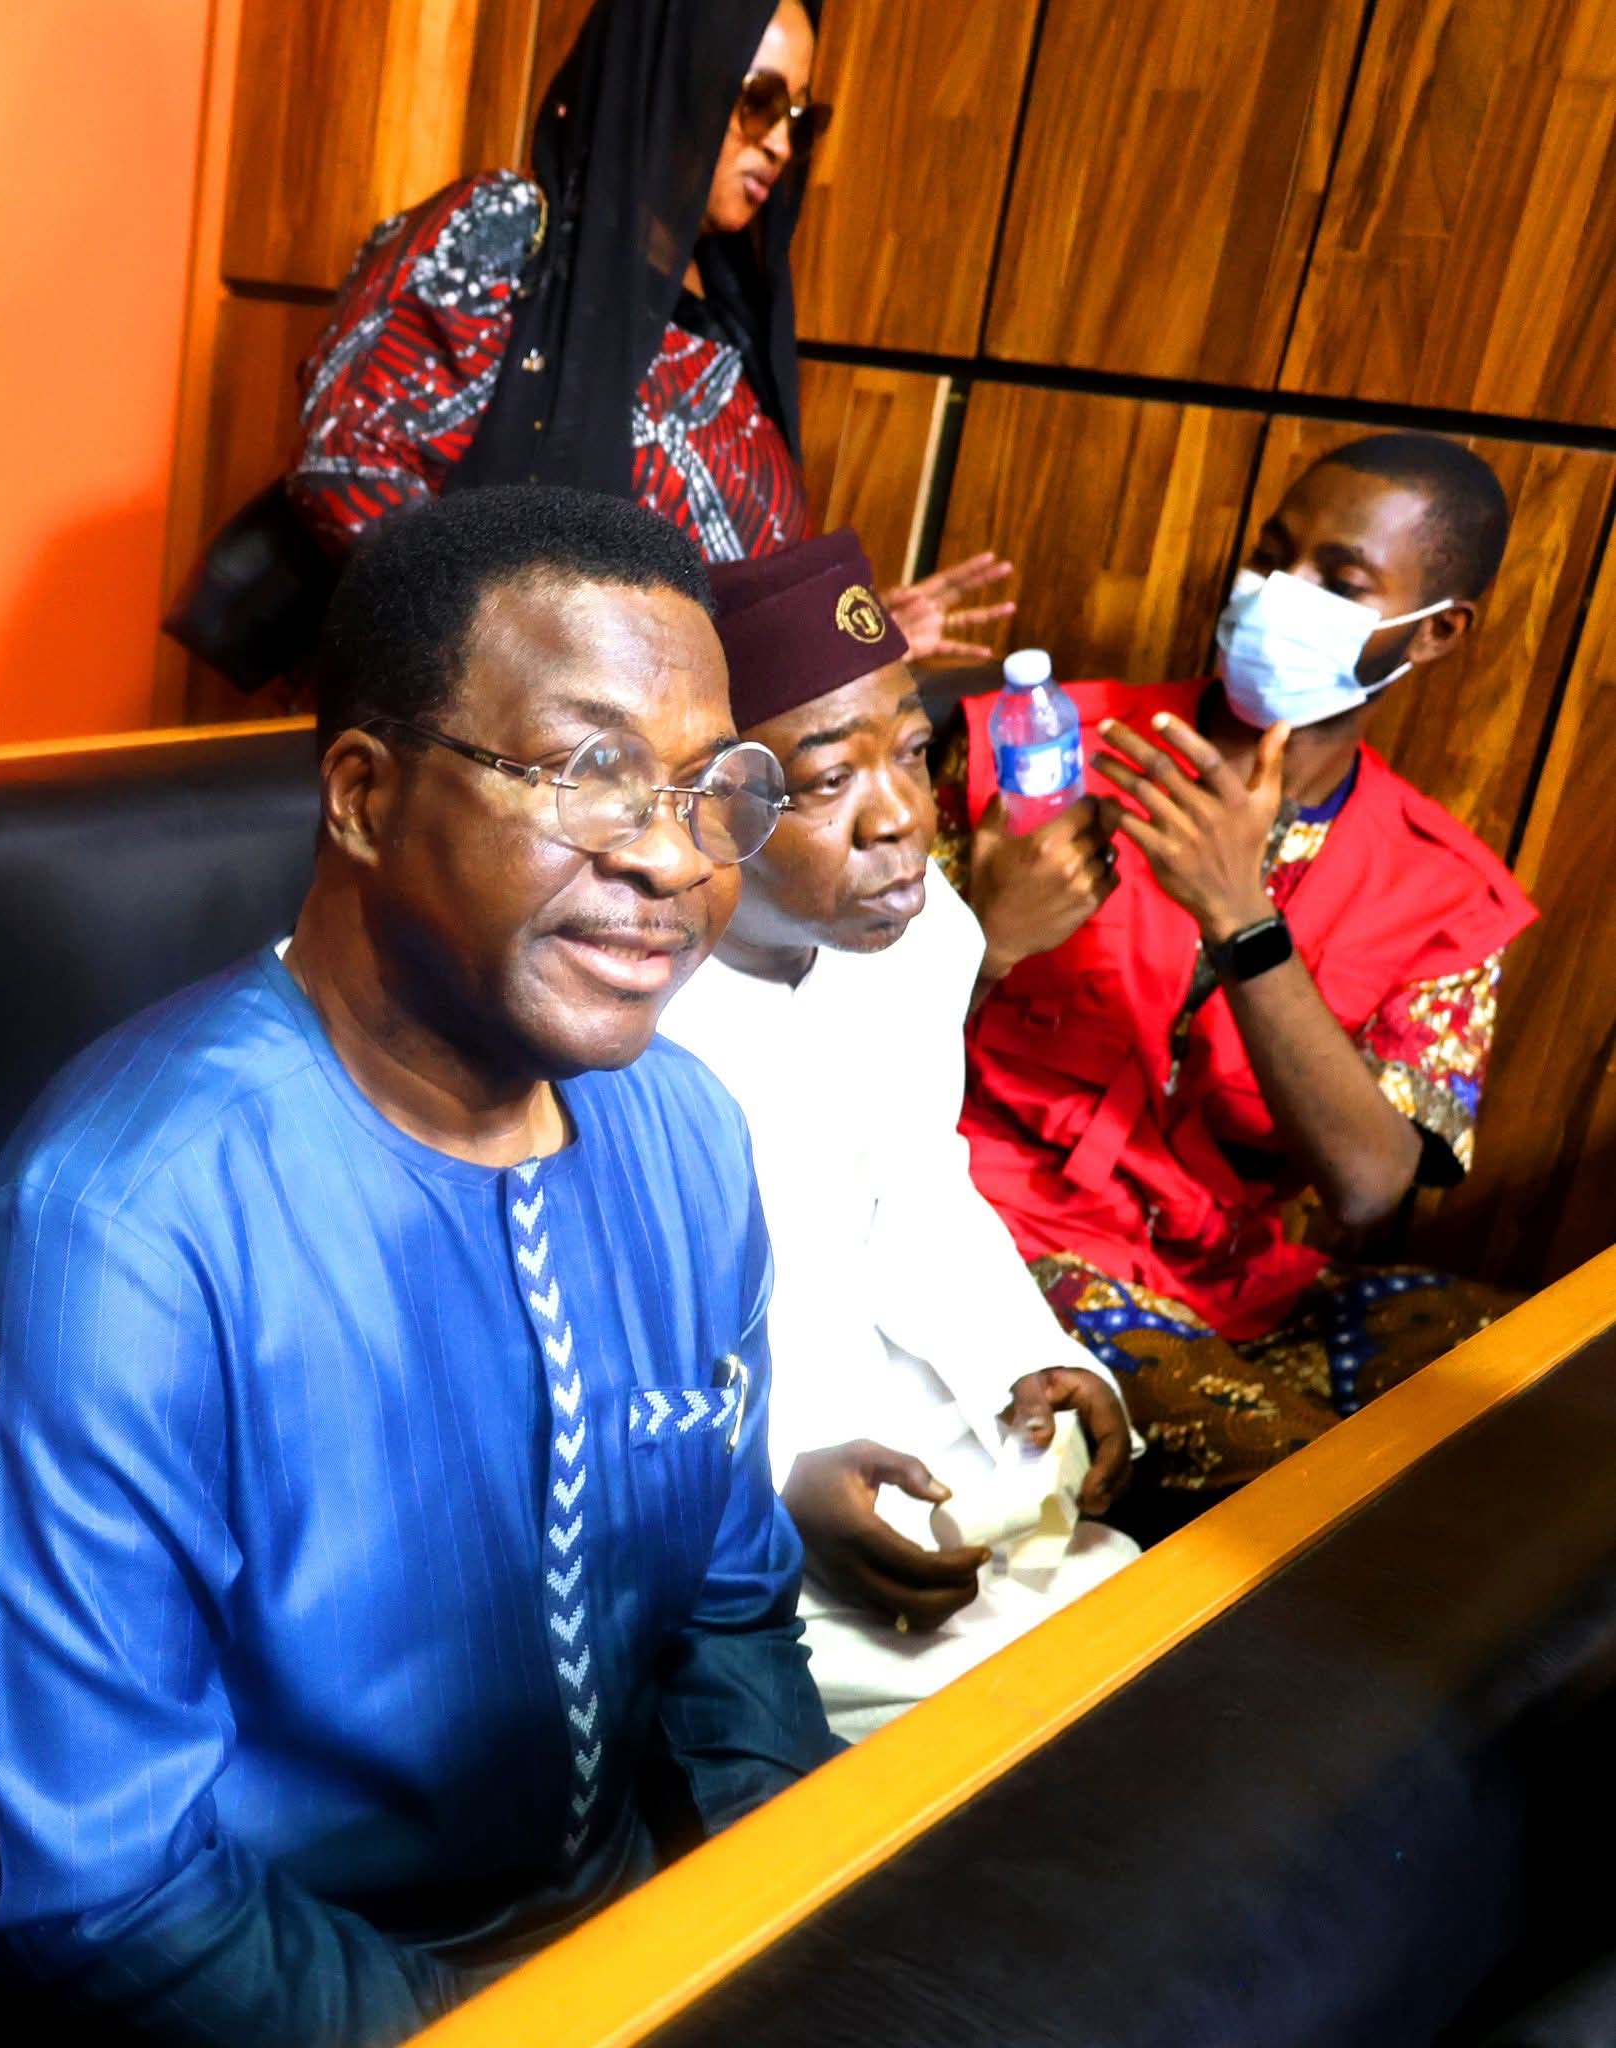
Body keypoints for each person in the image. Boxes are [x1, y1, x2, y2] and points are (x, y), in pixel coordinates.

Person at [0, 487, 835, 2045]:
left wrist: (807, 1929)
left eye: (705, 789)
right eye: (594, 777)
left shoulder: (687, 1134)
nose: (674, 859)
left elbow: (730, 1620)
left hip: (640, 1950)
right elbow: (101, 1894)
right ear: (360, 795)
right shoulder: (113, 1238)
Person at [938, 434, 1538, 1530]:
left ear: (1436, 630)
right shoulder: (1031, 754)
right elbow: (821, 1034)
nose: (1276, 596)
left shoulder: (1445, 889)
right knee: (1312, 1498)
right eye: (1271, 556)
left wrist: (1241, 920)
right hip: (998, 1232)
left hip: (1232, 1280)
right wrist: (989, 939)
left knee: (1531, 1393)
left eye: (1339, 583)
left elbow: (1369, 1187)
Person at [658, 530, 1138, 1741]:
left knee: (1147, 1633)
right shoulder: (614, 1011)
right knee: (1020, 1729)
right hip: (705, 1496)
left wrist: (1029, 1361)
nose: (904, 819)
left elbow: (920, 1188)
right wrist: (773, 1486)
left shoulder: (923, 941)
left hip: (907, 1442)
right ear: (708, 802)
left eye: (914, 753)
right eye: (828, 781)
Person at [283, 0, 1012, 660]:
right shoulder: (507, 238)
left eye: (800, 118)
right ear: (672, 79)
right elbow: (347, 464)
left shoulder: (731, 323)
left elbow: (715, 617)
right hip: (490, 743)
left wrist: (840, 643)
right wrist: (515, 666)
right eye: (759, 101)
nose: (781, 145)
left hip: (657, 755)